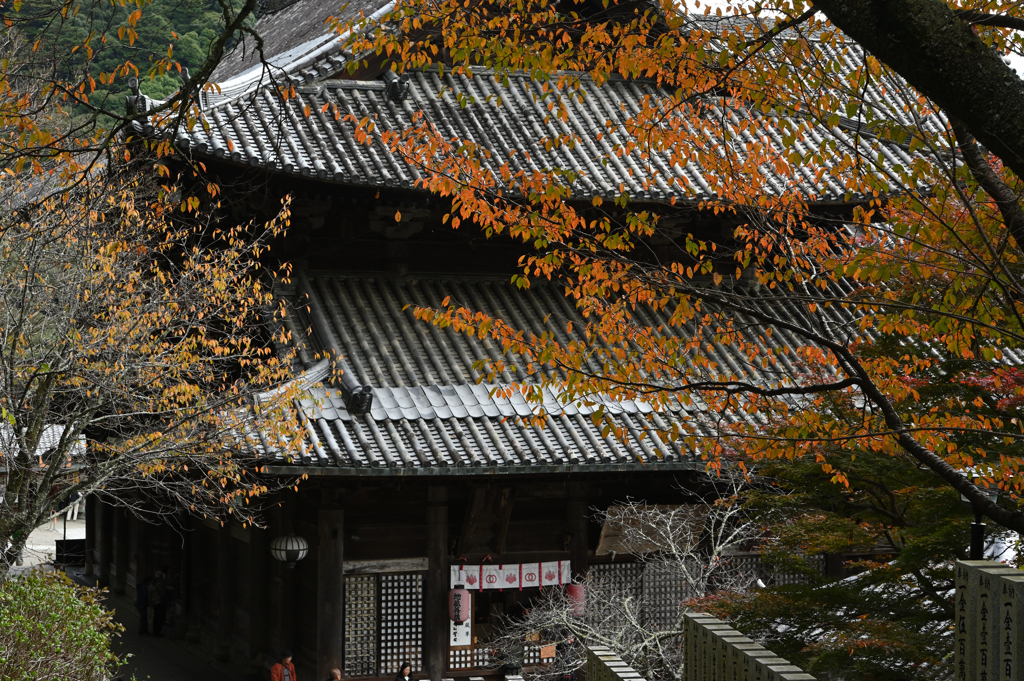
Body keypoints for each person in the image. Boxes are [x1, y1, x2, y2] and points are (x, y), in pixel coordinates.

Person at [150, 570, 168, 636]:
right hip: (160, 602)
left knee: (156, 617)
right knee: (160, 617)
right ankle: (158, 632)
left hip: (155, 602)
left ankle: (155, 631)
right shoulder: (162, 584)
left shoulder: (153, 584)